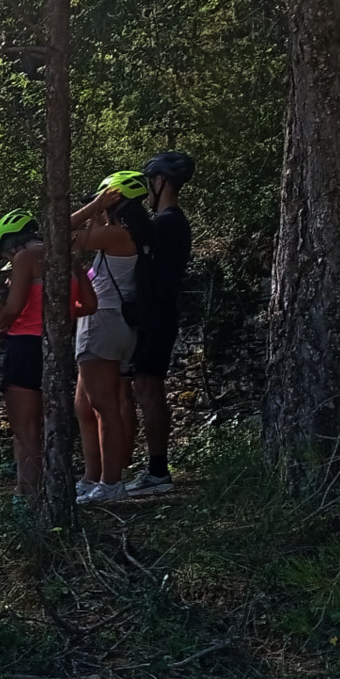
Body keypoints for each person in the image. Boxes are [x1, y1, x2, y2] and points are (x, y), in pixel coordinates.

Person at [0, 209, 98, 508]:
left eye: (5, 255)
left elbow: (13, 307)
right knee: (50, 425)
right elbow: (89, 305)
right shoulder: (68, 259)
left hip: (24, 346)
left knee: (26, 432)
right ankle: (46, 493)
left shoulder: (25, 258)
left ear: (11, 244)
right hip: (56, 348)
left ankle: (28, 498)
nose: (8, 260)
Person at [70, 171, 152, 504]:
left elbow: (60, 233)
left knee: (104, 407)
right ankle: (92, 477)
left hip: (103, 322)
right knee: (85, 406)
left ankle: (111, 481)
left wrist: (94, 207)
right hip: (117, 324)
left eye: (105, 202)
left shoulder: (117, 234)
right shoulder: (135, 235)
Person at [124, 151, 195, 497]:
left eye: (150, 181)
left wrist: (123, 205)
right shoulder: (168, 223)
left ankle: (157, 471)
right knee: (146, 387)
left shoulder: (170, 222)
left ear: (160, 181)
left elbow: (143, 234)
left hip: (157, 315)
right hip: (155, 314)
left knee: (149, 388)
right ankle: (155, 468)